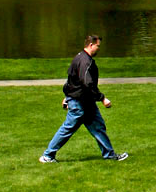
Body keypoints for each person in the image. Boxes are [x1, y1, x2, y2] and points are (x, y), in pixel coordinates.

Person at [40, 35, 128, 163]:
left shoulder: (79, 57)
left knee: (98, 127)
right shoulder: (85, 61)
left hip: (86, 103)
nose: (99, 49)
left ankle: (109, 154)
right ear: (91, 45)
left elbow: (71, 80)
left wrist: (66, 97)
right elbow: (87, 83)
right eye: (98, 46)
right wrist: (102, 98)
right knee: (68, 129)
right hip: (79, 103)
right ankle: (47, 156)